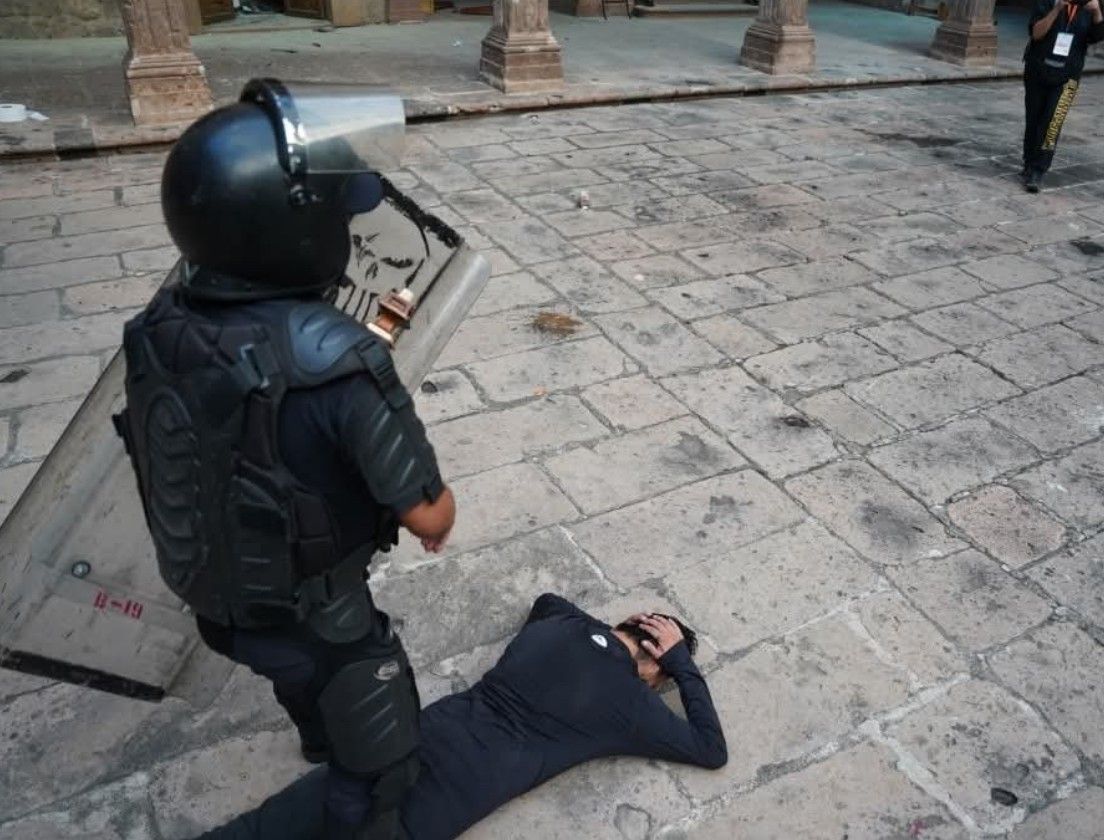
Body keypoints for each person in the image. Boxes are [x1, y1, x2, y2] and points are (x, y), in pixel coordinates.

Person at [114, 79, 456, 840]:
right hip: (318, 617)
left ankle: (315, 731)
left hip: (217, 602)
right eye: (337, 213)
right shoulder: (339, 358)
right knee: (382, 763)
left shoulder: (157, 323)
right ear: (294, 231)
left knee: (300, 681)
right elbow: (428, 511)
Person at [194, 593, 728, 840]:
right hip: (429, 812)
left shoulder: (559, 624)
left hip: (389, 752)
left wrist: (599, 633)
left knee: (258, 829)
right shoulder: (629, 704)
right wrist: (681, 664)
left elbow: (545, 601)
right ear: (654, 667)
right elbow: (710, 749)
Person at [1021, 0, 1104, 193]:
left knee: (1053, 123)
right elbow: (1036, 33)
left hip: (1068, 76)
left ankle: (1038, 170)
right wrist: (1057, 9)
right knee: (1034, 119)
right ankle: (1028, 163)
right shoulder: (1046, 3)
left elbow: (1100, 35)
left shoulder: (1089, 6)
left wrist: (1096, 12)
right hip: (1037, 70)